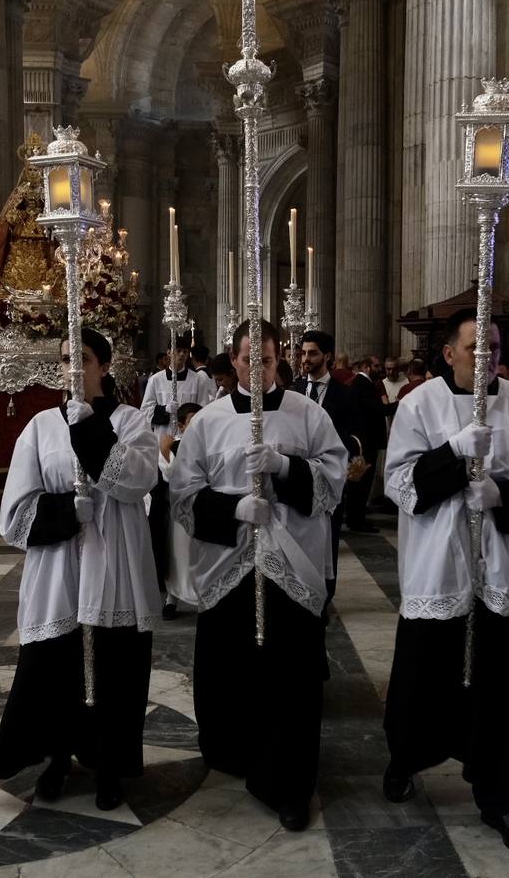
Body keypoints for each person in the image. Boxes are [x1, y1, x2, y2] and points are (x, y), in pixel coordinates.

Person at [382, 308, 509, 860]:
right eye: (473, 346)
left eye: (492, 346)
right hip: (438, 565)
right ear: (449, 353)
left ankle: (499, 795)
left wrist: (505, 495)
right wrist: (455, 456)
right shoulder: (419, 403)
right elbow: (398, 483)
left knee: (503, 682)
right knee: (424, 672)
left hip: (502, 568)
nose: (484, 357)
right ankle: (406, 758)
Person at [170, 319, 347, 832]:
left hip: (290, 564)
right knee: (231, 668)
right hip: (230, 564)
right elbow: (182, 496)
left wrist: (287, 469)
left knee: (290, 677)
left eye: (268, 359)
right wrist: (233, 509)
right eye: (250, 359)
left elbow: (334, 483)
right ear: (235, 360)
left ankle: (289, 780)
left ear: (279, 359)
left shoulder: (308, 415)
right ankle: (235, 750)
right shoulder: (207, 422)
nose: (259, 367)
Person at [0, 329, 160, 812]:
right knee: (55, 667)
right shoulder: (40, 426)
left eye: (81, 359)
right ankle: (57, 757)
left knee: (114, 668)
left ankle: (109, 765)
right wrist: (65, 511)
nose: (72, 369)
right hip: (59, 566)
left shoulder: (129, 421)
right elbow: (16, 511)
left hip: (114, 564)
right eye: (64, 360)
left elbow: (140, 480)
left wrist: (90, 430)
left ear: (103, 367)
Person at [293, 330, 360, 589]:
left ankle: (326, 593)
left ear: (327, 356)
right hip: (299, 474)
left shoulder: (345, 394)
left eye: (312, 353)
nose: (305, 359)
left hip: (330, 475)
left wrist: (342, 458)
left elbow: (355, 434)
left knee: (328, 535)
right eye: (304, 353)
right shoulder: (295, 390)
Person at [158, 401, 203, 619]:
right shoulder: (174, 445)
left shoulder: (207, 444)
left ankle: (202, 596)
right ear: (183, 426)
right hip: (179, 509)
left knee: (199, 555)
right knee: (177, 556)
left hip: (202, 507)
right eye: (192, 421)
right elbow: (170, 476)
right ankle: (171, 598)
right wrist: (165, 452)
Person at [141, 336, 216, 440]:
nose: (182, 354)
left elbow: (203, 409)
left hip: (188, 436)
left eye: (185, 351)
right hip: (163, 436)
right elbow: (145, 411)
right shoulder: (155, 380)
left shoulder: (197, 380)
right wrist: (164, 410)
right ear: (169, 352)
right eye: (178, 350)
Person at [345, 357, 387, 533]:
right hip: (366, 441)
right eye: (377, 366)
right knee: (361, 483)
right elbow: (377, 410)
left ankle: (357, 517)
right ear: (367, 368)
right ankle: (357, 520)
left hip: (364, 440)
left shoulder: (361, 383)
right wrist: (401, 404)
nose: (380, 369)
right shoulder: (364, 384)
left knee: (359, 482)